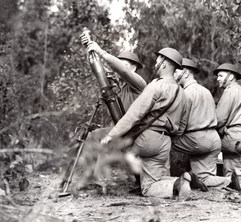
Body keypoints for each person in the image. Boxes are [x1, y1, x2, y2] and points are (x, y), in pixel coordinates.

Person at [101, 48, 192, 200]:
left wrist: (111, 135)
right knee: (154, 179)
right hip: (166, 142)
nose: (155, 63)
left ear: (164, 65)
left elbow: (134, 115)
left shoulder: (155, 86)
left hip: (147, 139)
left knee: (146, 187)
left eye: (158, 60)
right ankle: (180, 181)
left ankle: (176, 184)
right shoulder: (182, 93)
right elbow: (182, 126)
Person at [73, 36, 147, 192]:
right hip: (120, 129)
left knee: (107, 142)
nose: (118, 68)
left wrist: (102, 52)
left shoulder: (139, 84)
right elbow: (100, 72)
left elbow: (122, 69)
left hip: (134, 132)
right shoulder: (121, 86)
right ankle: (93, 178)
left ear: (133, 68)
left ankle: (105, 181)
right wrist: (91, 51)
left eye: (124, 64)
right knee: (94, 135)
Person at [172, 58, 231, 189]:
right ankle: (232, 180)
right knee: (203, 178)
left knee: (163, 141)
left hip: (196, 140)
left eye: (176, 71)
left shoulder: (185, 93)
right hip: (214, 140)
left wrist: (172, 136)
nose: (173, 74)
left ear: (186, 73)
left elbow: (181, 124)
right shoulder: (206, 91)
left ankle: (165, 180)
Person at [214, 63, 241, 189]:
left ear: (230, 77)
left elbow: (219, 119)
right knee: (234, 171)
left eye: (220, 76)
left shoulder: (230, 91)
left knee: (204, 147)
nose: (217, 79)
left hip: (231, 137)